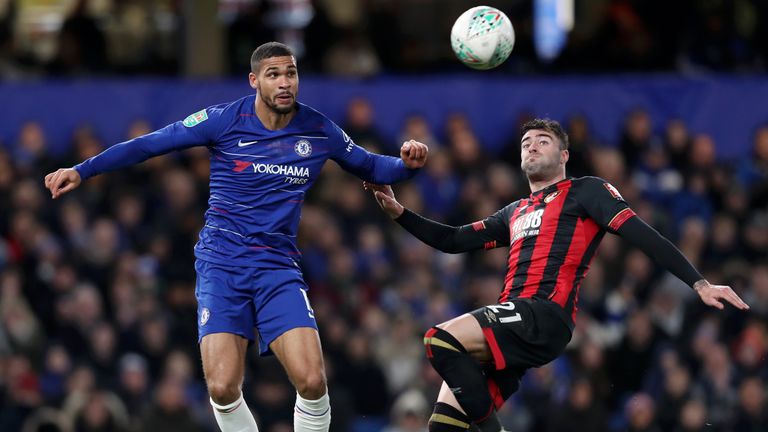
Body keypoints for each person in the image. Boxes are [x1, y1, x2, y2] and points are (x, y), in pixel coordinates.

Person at [44, 41, 428, 432]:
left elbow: (372, 166)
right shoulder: (224, 120)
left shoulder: (318, 130)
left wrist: (407, 164)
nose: (284, 83)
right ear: (254, 80)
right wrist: (83, 170)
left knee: (312, 381)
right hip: (221, 266)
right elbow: (149, 144)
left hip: (277, 268)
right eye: (273, 74)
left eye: (291, 74)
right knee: (224, 387)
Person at [365, 118, 748, 432]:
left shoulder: (586, 191)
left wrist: (699, 282)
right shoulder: (514, 211)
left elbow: (643, 235)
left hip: (543, 314)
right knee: (445, 427)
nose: (531, 146)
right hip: (515, 324)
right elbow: (451, 240)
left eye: (542, 141)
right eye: (526, 142)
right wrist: (399, 212)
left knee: (440, 339)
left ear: (564, 155)